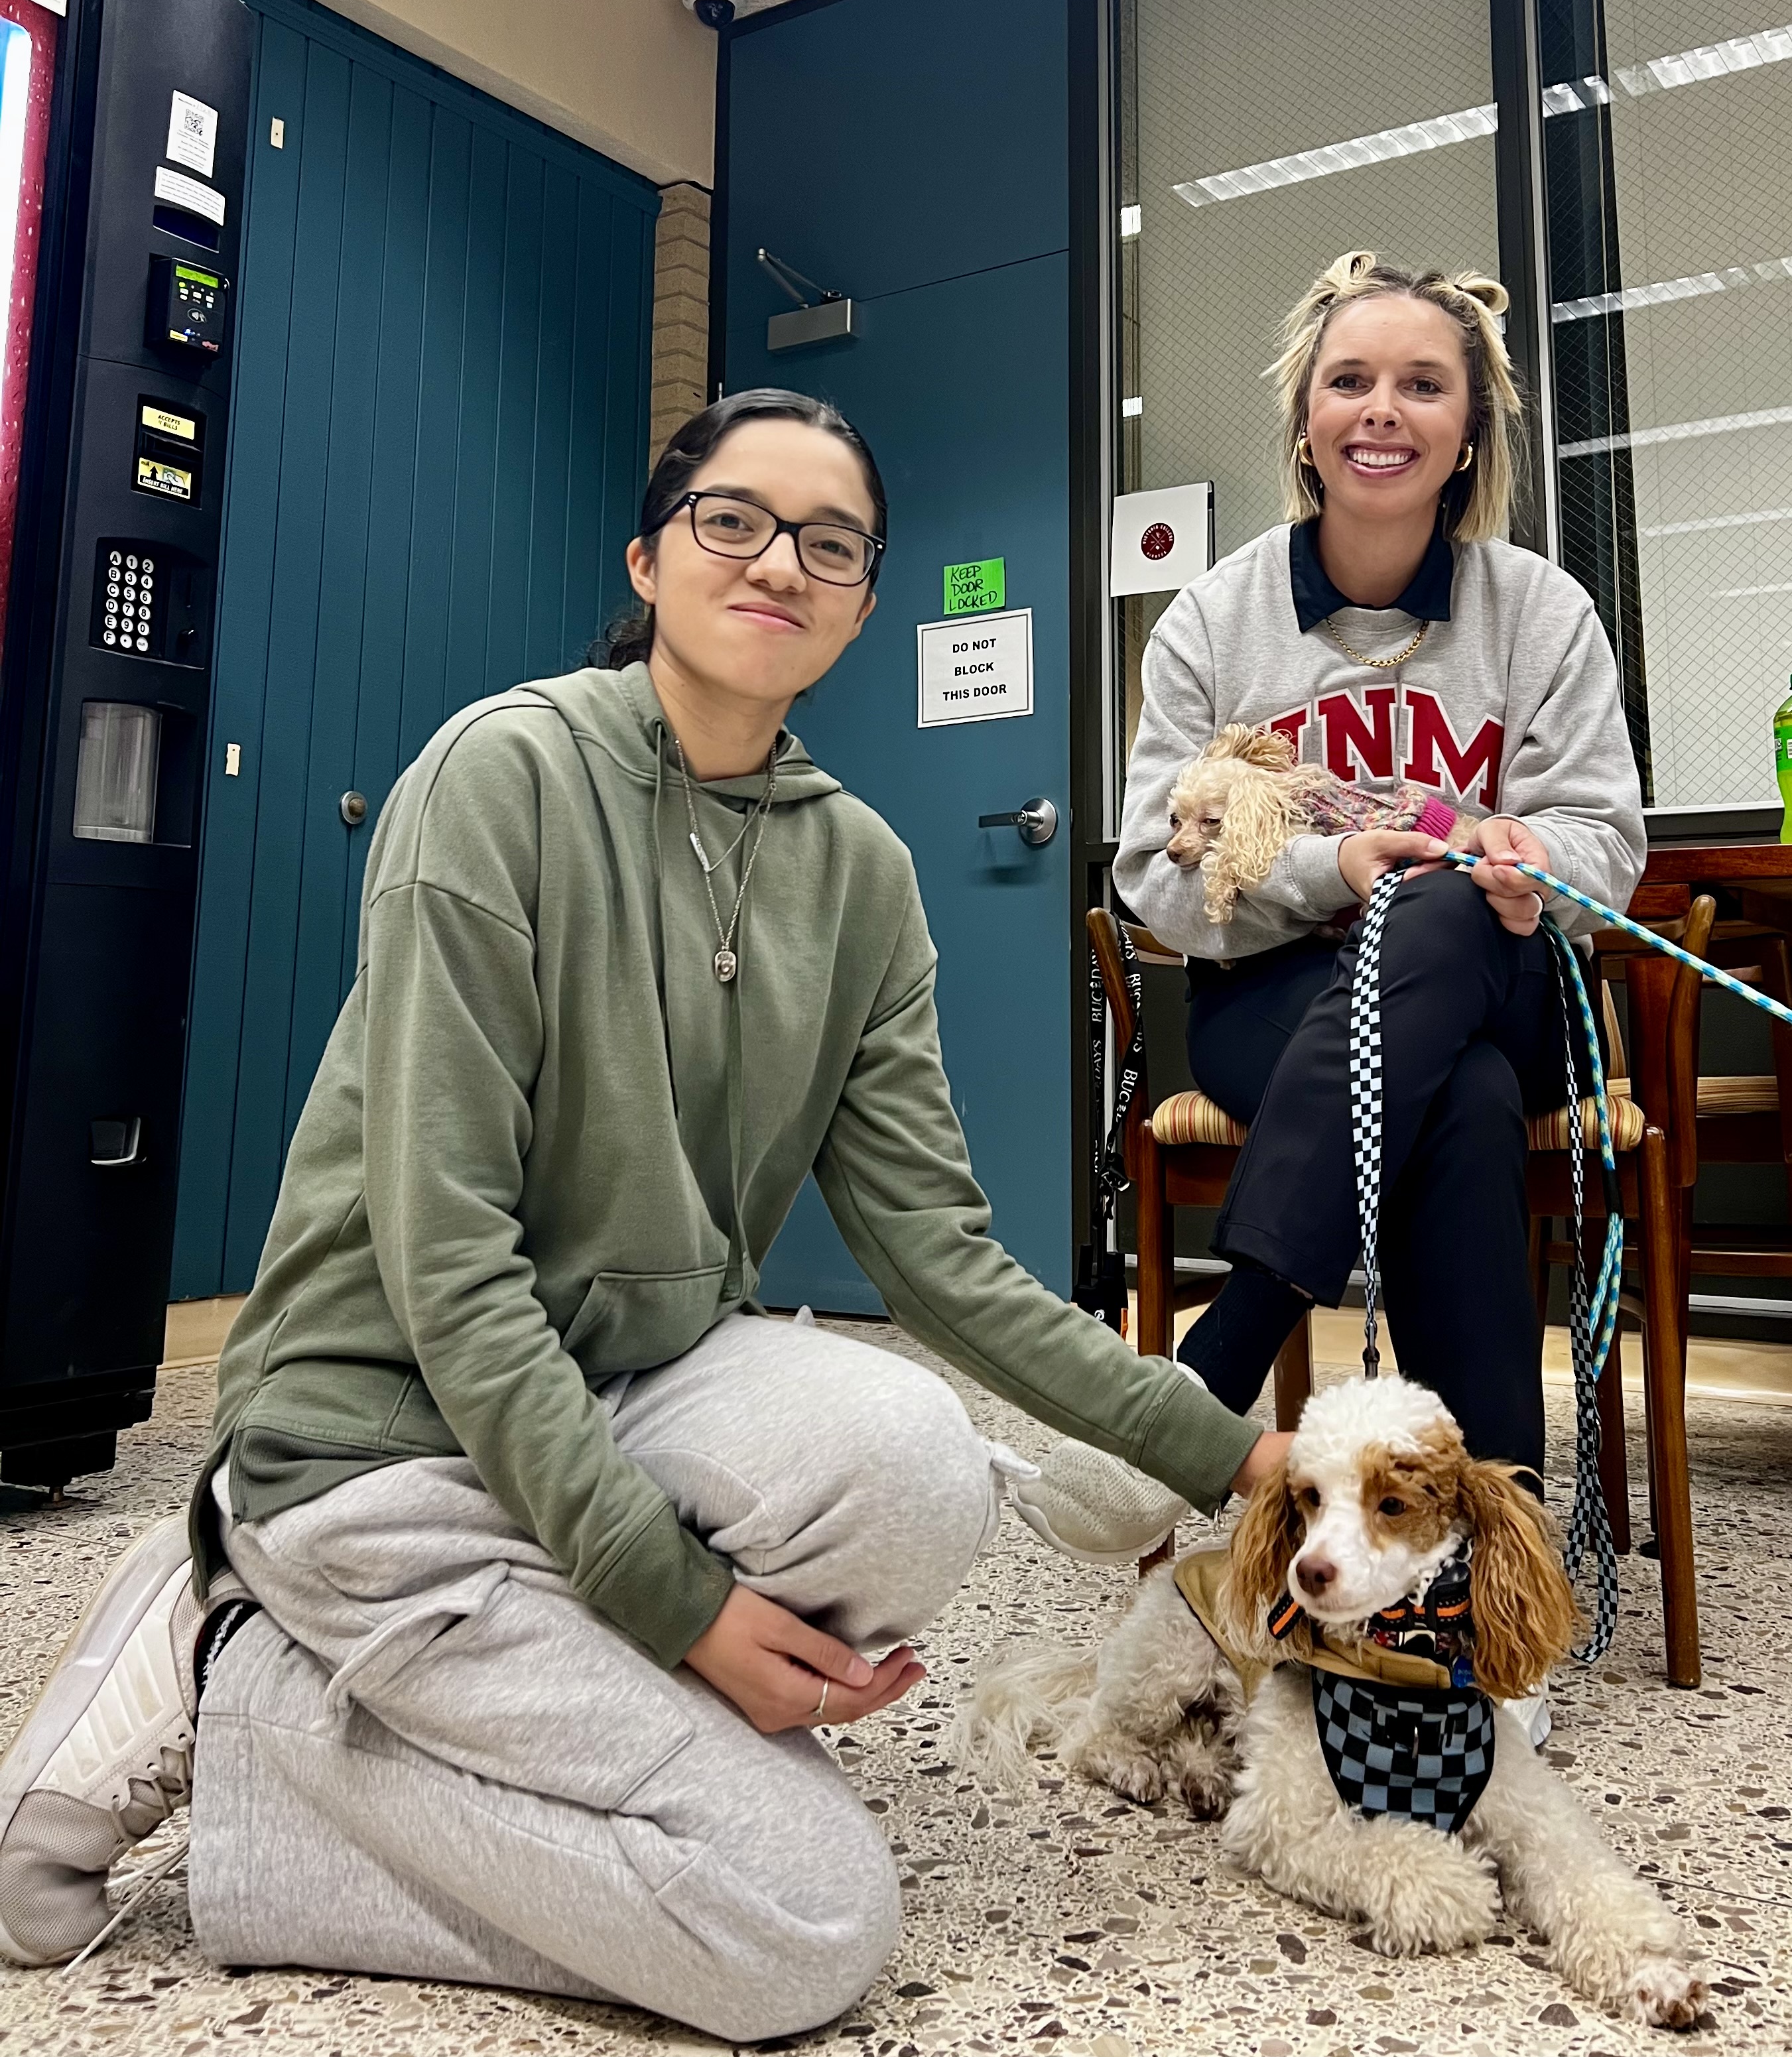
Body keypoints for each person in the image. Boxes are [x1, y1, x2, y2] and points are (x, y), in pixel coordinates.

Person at [0, 389, 1289, 2033]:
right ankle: (234, 1669)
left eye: (832, 541)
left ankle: (461, 1669)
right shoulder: (501, 776)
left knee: (917, 1466)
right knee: (801, 1925)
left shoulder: (864, 874)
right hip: (378, 1431)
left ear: (865, 599)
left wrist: (1238, 1458)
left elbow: (944, 1261)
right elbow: (449, 1258)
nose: (779, 561)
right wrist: (673, 1602)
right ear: (651, 555)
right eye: (732, 518)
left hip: (615, 1391)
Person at [1023, 251, 1645, 1607]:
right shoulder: (1214, 619)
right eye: (1351, 379)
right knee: (1460, 1104)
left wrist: (1532, 852)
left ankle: (1224, 1350)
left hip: (1504, 975)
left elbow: (1610, 842)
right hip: (1278, 1002)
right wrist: (1328, 869)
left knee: (1443, 920)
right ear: (1305, 413)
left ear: (1469, 423)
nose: (1384, 408)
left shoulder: (1542, 612)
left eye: (1424, 384)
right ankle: (1495, 1576)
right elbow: (1152, 874)